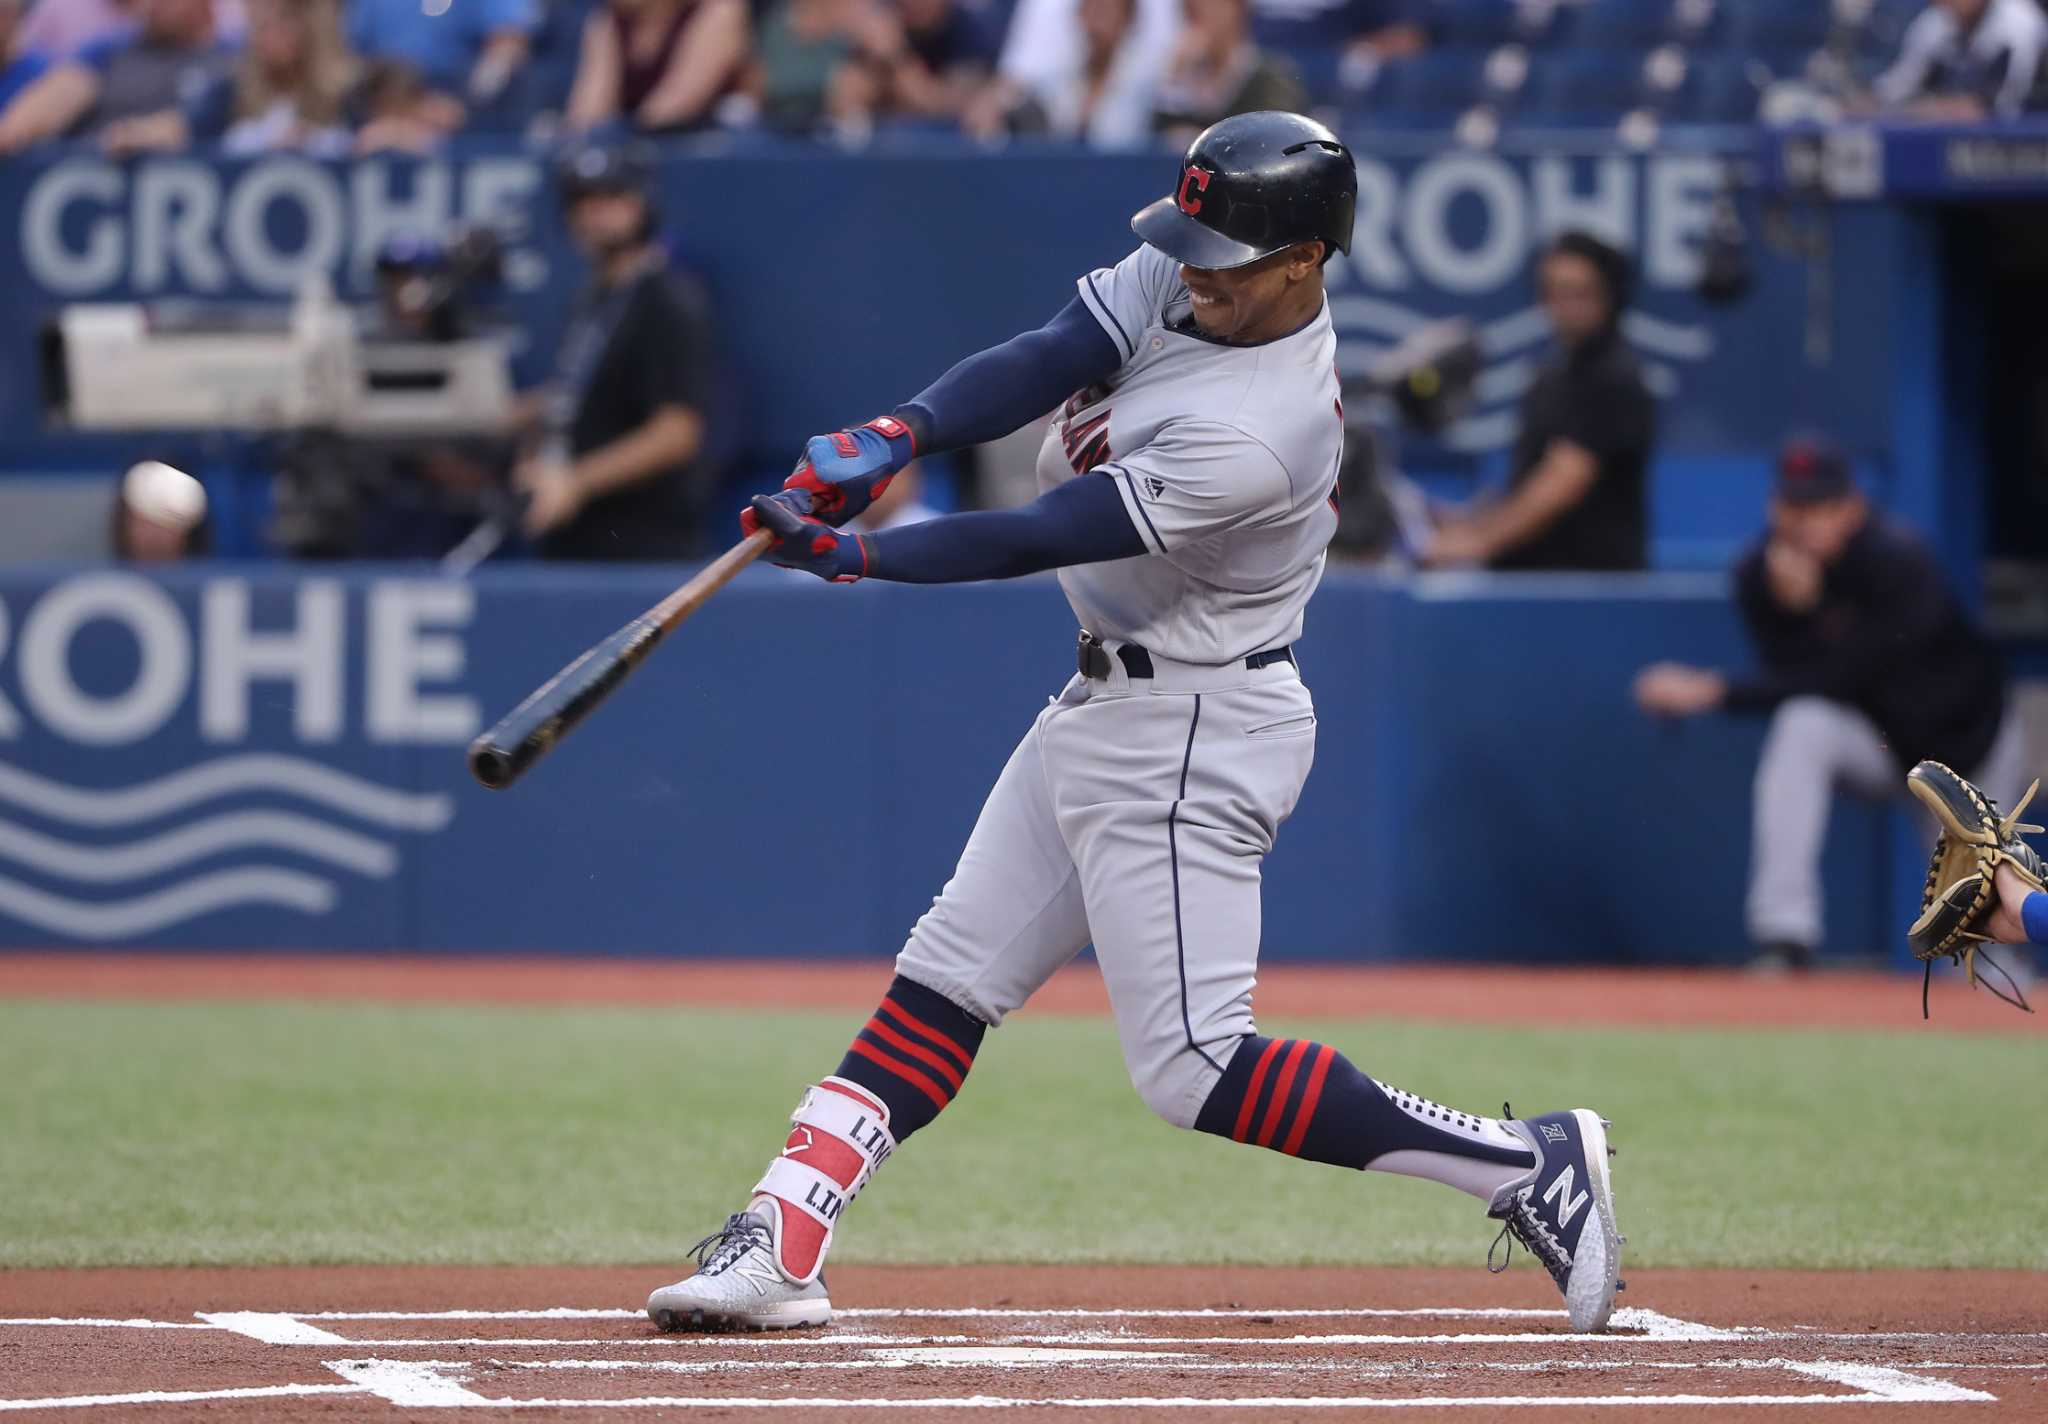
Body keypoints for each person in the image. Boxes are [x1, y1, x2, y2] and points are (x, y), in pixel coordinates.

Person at [642, 112, 1624, 1339]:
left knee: (1197, 1068)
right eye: (1191, 241)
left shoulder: (1266, 427)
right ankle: (781, 1233)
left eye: (1225, 256)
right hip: (1110, 700)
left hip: (1195, 723)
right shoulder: (1200, 268)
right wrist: (900, 432)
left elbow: (1041, 533)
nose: (1194, 270)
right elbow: (1052, 349)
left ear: (1304, 259)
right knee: (947, 972)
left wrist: (859, 554)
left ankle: (1521, 1164)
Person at [1633, 437, 2027, 972]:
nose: (1800, 523)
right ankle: (1785, 936)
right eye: (1791, 506)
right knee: (1803, 724)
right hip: (1881, 742)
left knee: (1987, 955)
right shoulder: (1760, 576)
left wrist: (1714, 688)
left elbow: (1852, 672)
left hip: (1968, 751)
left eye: (1816, 508)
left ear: (1851, 509)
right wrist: (1796, 615)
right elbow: (1800, 681)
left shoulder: (1896, 559)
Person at [513, 146, 717, 560]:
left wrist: (575, 480)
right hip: (575, 536)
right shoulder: (590, 300)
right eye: (581, 201)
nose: (593, 214)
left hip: (642, 543)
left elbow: (677, 431)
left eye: (609, 198)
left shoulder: (667, 300)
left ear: (640, 203)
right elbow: (579, 395)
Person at [1424, 231, 1655, 572]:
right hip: (1535, 582)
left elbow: (1563, 480)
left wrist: (1476, 543)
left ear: (1610, 295)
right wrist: (1473, 523)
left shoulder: (1615, 376)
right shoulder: (1553, 373)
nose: (1566, 306)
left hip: (1589, 592)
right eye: (1555, 292)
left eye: (1580, 292)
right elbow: (1529, 480)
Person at [98, 0, 353, 155]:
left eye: (283, 21)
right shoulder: (231, 90)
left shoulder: (349, 93)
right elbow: (182, 127)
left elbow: (378, 135)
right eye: (262, 24)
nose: (269, 34)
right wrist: (137, 133)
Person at [0, 0, 233, 152]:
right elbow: (46, 105)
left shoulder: (232, 58)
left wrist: (141, 135)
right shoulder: (108, 50)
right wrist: (11, 133)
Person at [967, 0, 1176, 145]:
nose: (1096, 21)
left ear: (1127, 19)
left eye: (1105, 10)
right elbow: (1011, 92)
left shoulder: (1151, 80)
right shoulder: (1058, 78)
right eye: (1089, 9)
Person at [563, 0, 748, 133]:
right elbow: (587, 115)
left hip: (721, 150)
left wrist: (624, 136)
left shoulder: (718, 10)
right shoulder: (607, 21)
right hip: (642, 148)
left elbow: (677, 109)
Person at [347, 0, 535, 116]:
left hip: (459, 97)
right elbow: (354, 53)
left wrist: (467, 106)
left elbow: (508, 42)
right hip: (387, 97)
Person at [1873, 0, 2048, 122]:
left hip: (2030, 134)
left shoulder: (2019, 22)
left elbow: (2001, 108)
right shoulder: (1936, 22)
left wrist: (1923, 110)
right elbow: (1894, 90)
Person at [1152, 0, 1302, 139]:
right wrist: (1176, 77)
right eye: (1193, 12)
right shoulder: (1185, 72)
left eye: (1213, 6)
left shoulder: (1272, 76)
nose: (1203, 17)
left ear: (1237, 10)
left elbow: (1271, 136)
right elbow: (1159, 132)